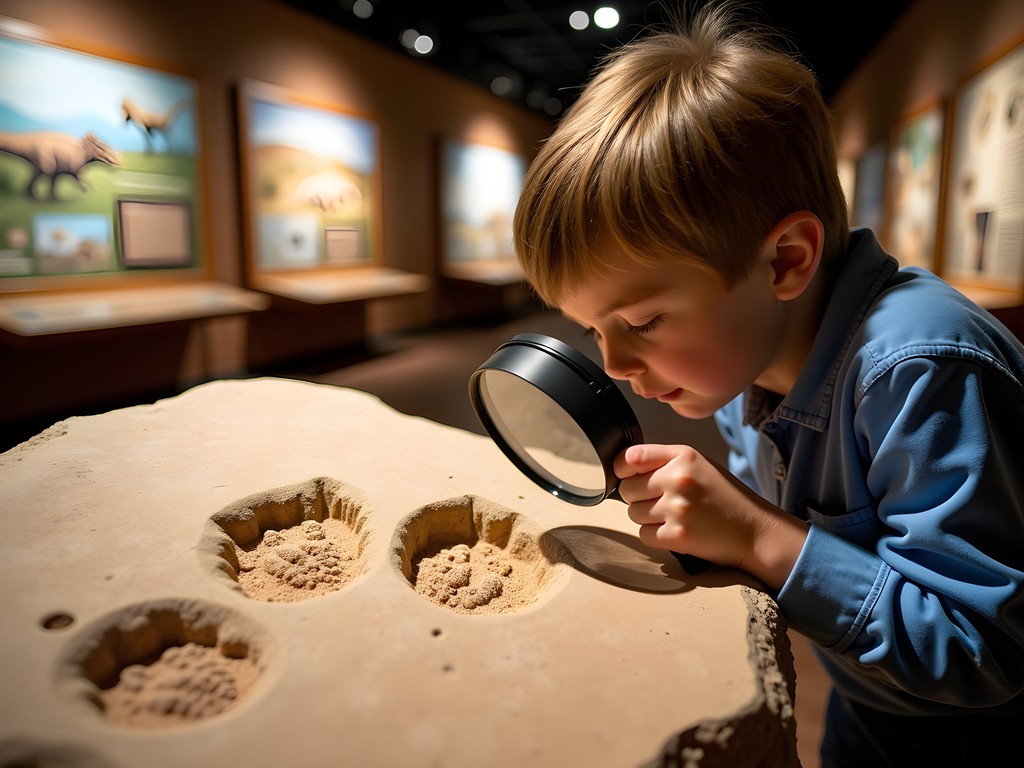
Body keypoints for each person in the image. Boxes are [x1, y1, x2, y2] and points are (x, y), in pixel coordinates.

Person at [511, 2, 1024, 765]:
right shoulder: (752, 359)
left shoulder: (919, 369)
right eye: (593, 330)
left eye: (644, 321)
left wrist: (754, 532)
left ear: (784, 260)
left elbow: (982, 648)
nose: (614, 364)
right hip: (867, 709)